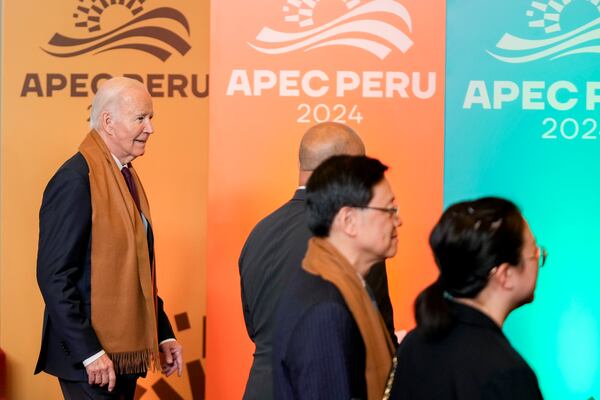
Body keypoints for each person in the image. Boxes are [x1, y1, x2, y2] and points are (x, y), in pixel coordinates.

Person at [34, 77, 183, 399]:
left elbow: (138, 272)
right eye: (141, 118)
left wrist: (163, 334)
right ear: (108, 122)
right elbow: (54, 276)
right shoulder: (76, 180)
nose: (150, 128)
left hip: (120, 357)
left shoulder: (124, 177)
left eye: (151, 118)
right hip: (90, 361)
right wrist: (90, 353)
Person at [239, 123, 396, 400]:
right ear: (339, 169)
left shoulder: (259, 232)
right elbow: (379, 328)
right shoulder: (352, 235)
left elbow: (254, 327)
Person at [272, 155, 400, 400]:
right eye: (389, 210)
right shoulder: (325, 310)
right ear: (349, 221)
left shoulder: (342, 284)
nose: (398, 220)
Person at [390, 197, 544, 399]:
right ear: (505, 275)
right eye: (534, 253)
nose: (540, 259)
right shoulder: (508, 373)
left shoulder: (414, 344)